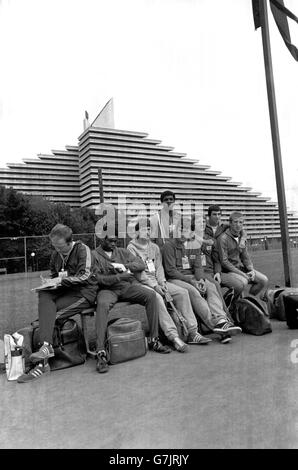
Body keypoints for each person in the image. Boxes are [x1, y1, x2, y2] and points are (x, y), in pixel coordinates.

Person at [18, 224, 99, 383]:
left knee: (48, 319)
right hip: (66, 291)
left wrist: (62, 280)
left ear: (70, 242)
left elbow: (85, 276)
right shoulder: (55, 254)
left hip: (84, 292)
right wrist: (49, 282)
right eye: (54, 246)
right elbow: (54, 274)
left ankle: (42, 365)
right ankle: (45, 350)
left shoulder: (83, 250)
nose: (58, 250)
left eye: (61, 247)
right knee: (44, 293)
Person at [92, 228, 172, 374]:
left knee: (151, 295)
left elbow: (140, 264)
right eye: (110, 241)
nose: (114, 244)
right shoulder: (94, 255)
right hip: (107, 289)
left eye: (116, 241)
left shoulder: (121, 251)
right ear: (101, 239)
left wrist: (124, 267)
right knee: (102, 305)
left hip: (125, 287)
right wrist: (119, 277)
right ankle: (101, 351)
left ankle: (154, 339)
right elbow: (99, 279)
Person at [127, 219, 211, 351]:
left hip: (158, 282)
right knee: (157, 298)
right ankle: (174, 337)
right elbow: (139, 274)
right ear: (136, 232)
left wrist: (162, 282)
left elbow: (159, 267)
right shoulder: (131, 248)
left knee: (182, 293)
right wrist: (155, 286)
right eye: (144, 229)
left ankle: (193, 332)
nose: (148, 232)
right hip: (142, 283)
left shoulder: (154, 247)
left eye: (149, 229)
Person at [161, 227, 242, 344]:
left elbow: (198, 266)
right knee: (192, 291)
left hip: (194, 277)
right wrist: (192, 282)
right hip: (176, 279)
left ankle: (221, 320)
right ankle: (216, 324)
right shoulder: (169, 246)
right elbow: (171, 271)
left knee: (211, 286)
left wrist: (200, 280)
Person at [216, 211, 269, 298]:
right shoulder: (223, 238)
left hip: (239, 267)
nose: (238, 225)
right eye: (235, 222)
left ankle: (247, 300)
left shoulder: (241, 237)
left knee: (263, 280)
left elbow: (245, 256)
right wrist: (242, 274)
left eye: (241, 222)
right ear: (230, 223)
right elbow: (224, 262)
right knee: (243, 281)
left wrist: (251, 269)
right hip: (226, 271)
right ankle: (231, 305)